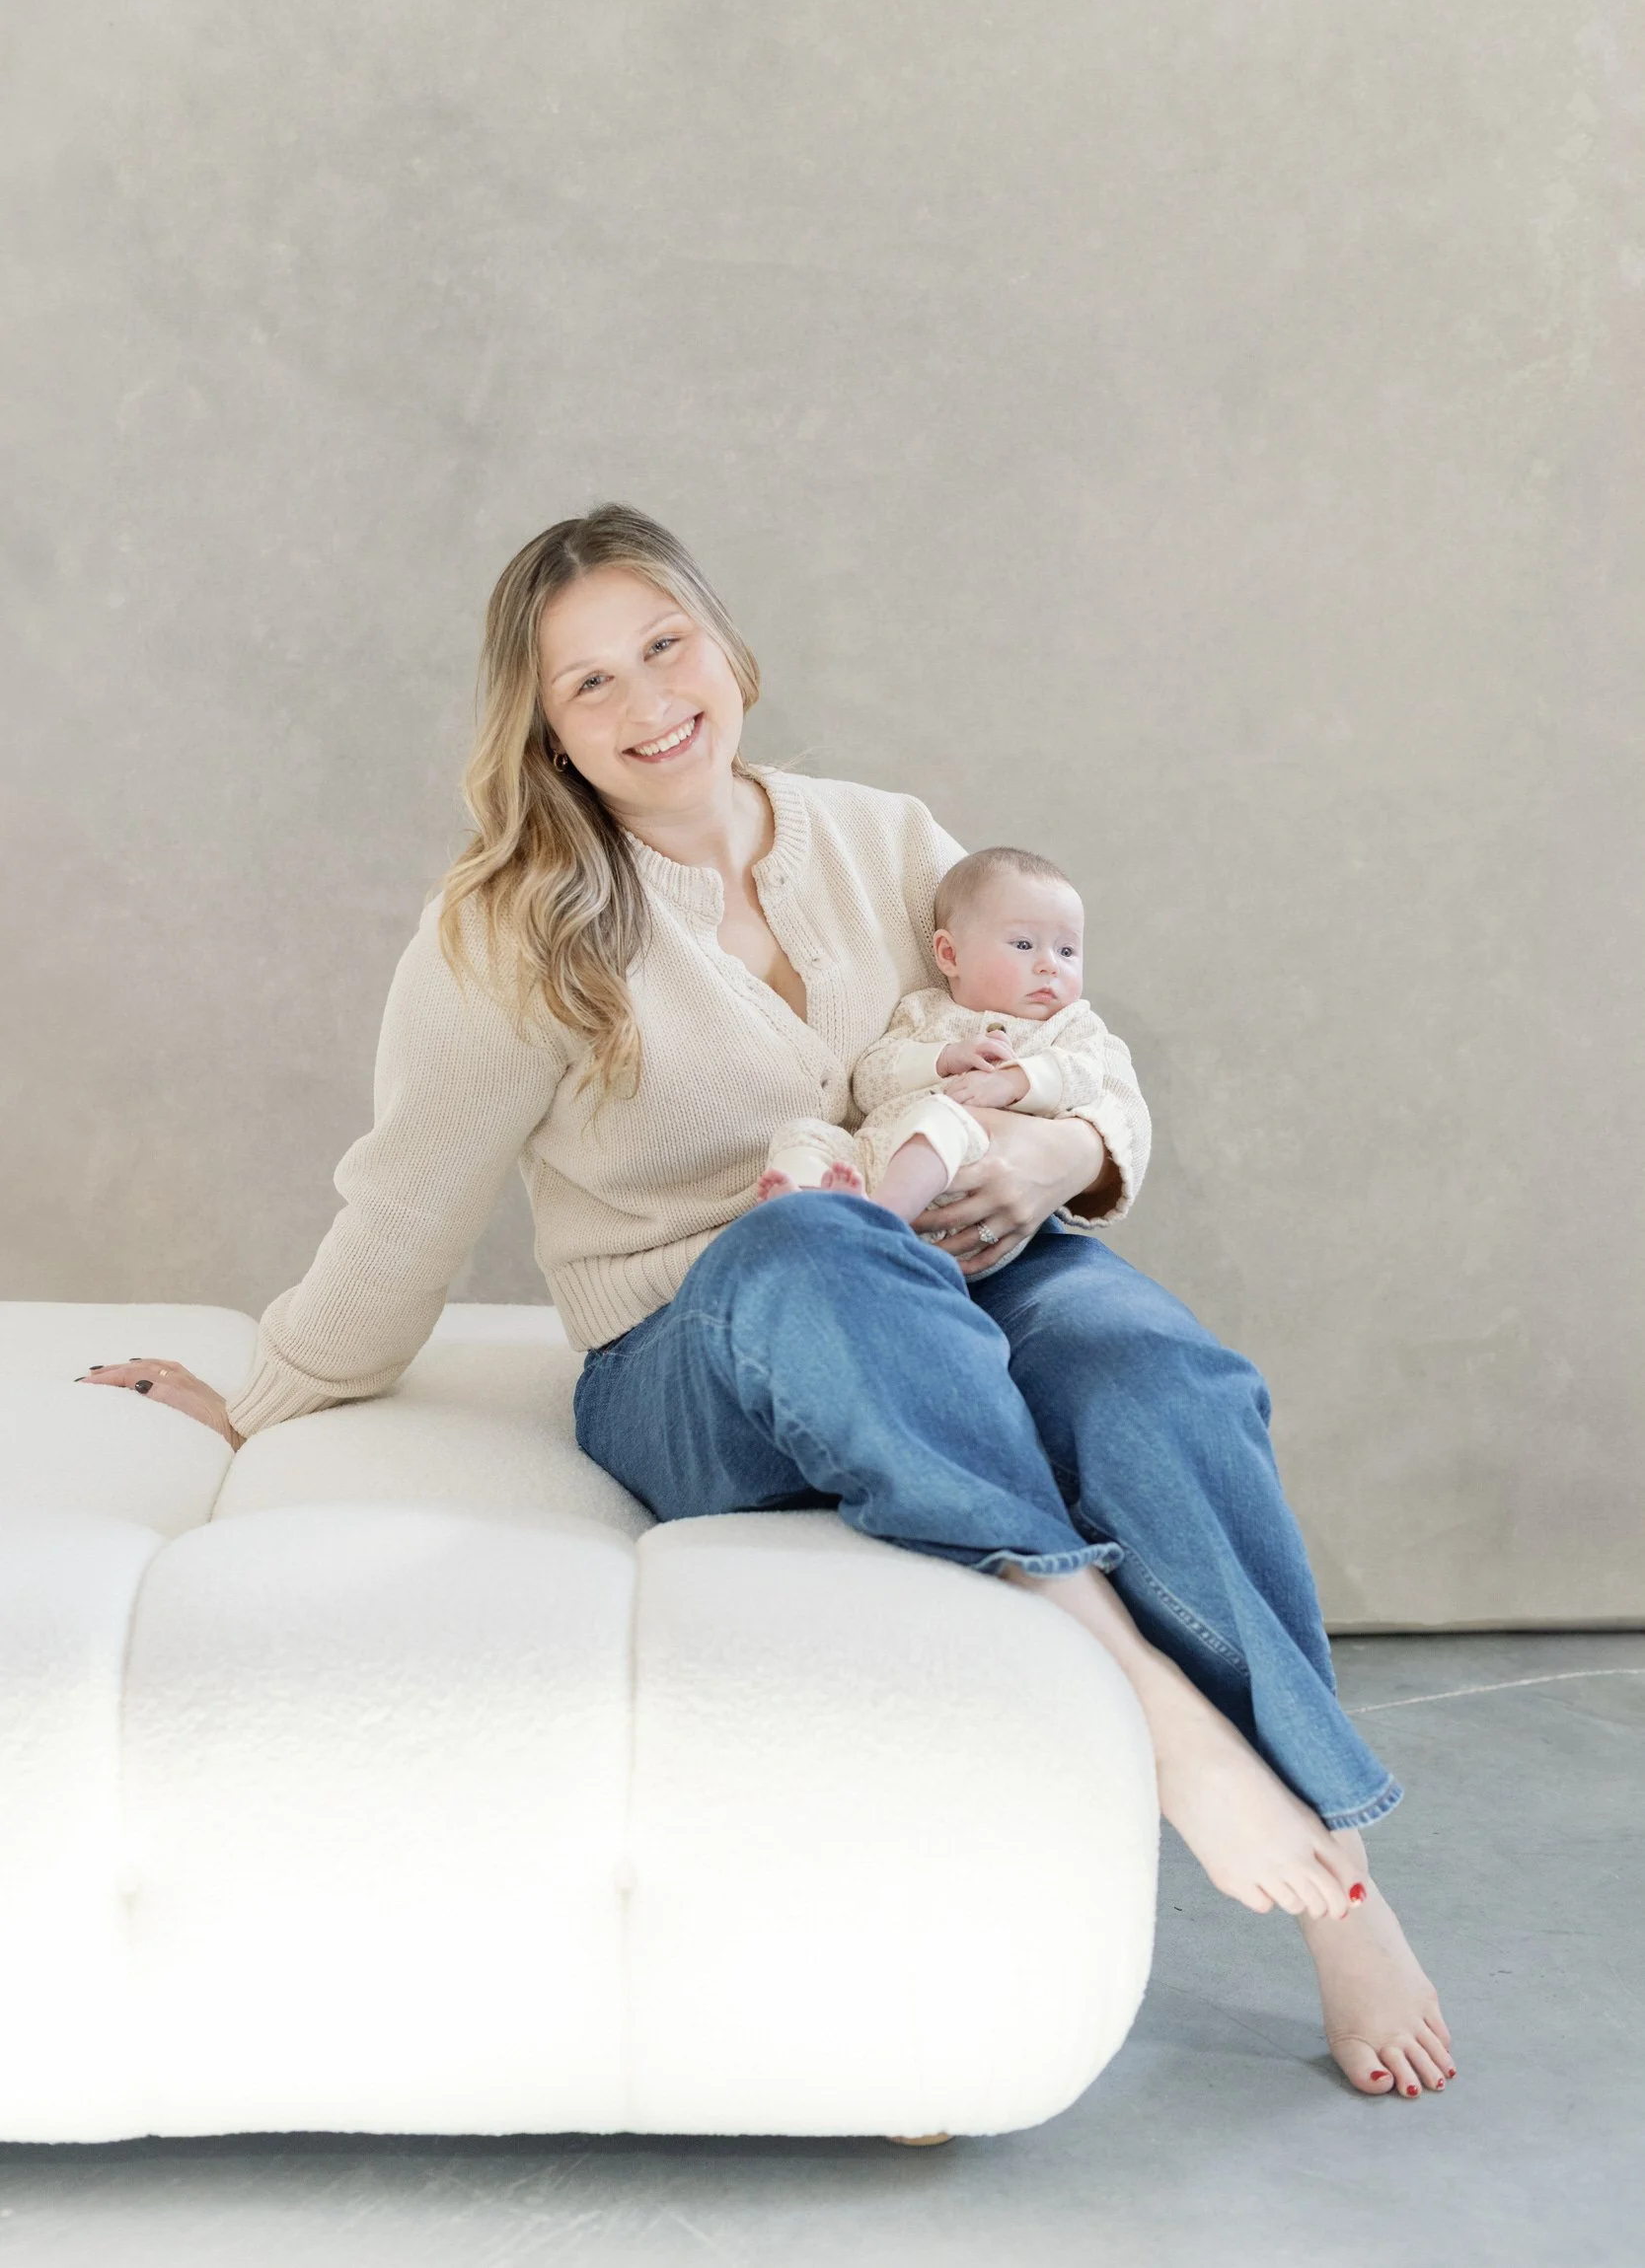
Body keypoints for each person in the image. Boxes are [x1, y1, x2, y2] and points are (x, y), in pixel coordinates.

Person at [78, 503, 1454, 2103]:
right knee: (809, 1250)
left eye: (661, 644)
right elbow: (405, 1205)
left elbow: (1067, 1045)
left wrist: (1049, 1147)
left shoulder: (884, 836)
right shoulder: (510, 929)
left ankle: (1347, 1889)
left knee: (1157, 1374)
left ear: (724, 645)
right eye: (587, 684)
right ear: (547, 734)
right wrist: (263, 1396)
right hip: (700, 1350)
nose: (646, 699)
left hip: (966, 1266)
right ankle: (1160, 1721)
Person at [755, 844, 1132, 1281]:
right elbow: (870, 1081)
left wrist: (1014, 1081)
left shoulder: (1070, 1025)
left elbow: (1087, 1075)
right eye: (1025, 945)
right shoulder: (922, 1011)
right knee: (804, 1135)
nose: (1050, 965)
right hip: (871, 1162)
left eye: (1067, 951)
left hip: (964, 1196)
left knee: (944, 1114)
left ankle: (876, 1224)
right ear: (950, 956)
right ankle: (807, 1212)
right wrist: (942, 1059)